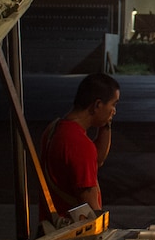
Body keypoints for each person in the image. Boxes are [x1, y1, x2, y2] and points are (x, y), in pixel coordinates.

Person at [39, 72, 119, 227]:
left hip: (50, 227)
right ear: (97, 105)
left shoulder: (53, 129)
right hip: (72, 236)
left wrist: (106, 123)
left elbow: (98, 159)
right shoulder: (80, 145)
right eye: (113, 104)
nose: (114, 111)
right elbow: (90, 208)